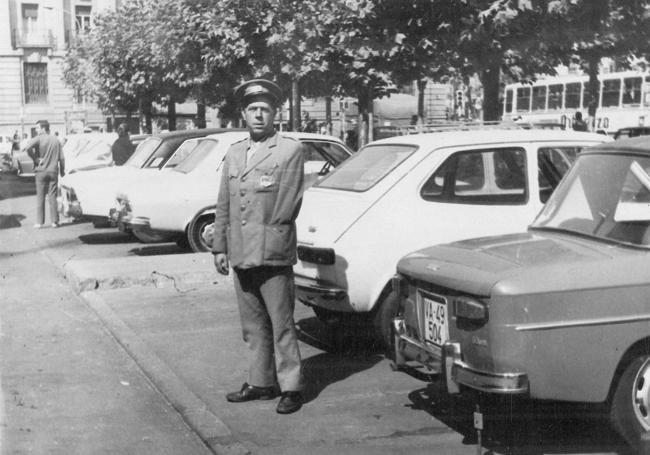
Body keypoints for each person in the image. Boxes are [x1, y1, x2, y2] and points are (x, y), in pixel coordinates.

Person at [212, 79, 305, 414]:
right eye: (253, 109)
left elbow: (287, 204)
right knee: (252, 326)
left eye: (265, 109)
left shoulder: (288, 149)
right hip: (239, 251)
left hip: (270, 252)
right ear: (243, 113)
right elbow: (224, 202)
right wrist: (219, 247)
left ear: (275, 113)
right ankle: (261, 381)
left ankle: (291, 386)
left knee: (282, 324)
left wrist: (265, 244)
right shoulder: (235, 152)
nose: (259, 115)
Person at [21, 120, 65, 228]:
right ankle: (55, 221)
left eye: (37, 128)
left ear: (43, 128)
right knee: (52, 196)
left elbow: (26, 148)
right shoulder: (56, 140)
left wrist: (35, 159)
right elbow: (62, 158)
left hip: (41, 170)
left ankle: (39, 222)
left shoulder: (38, 138)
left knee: (40, 196)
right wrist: (63, 170)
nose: (36, 130)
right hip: (53, 170)